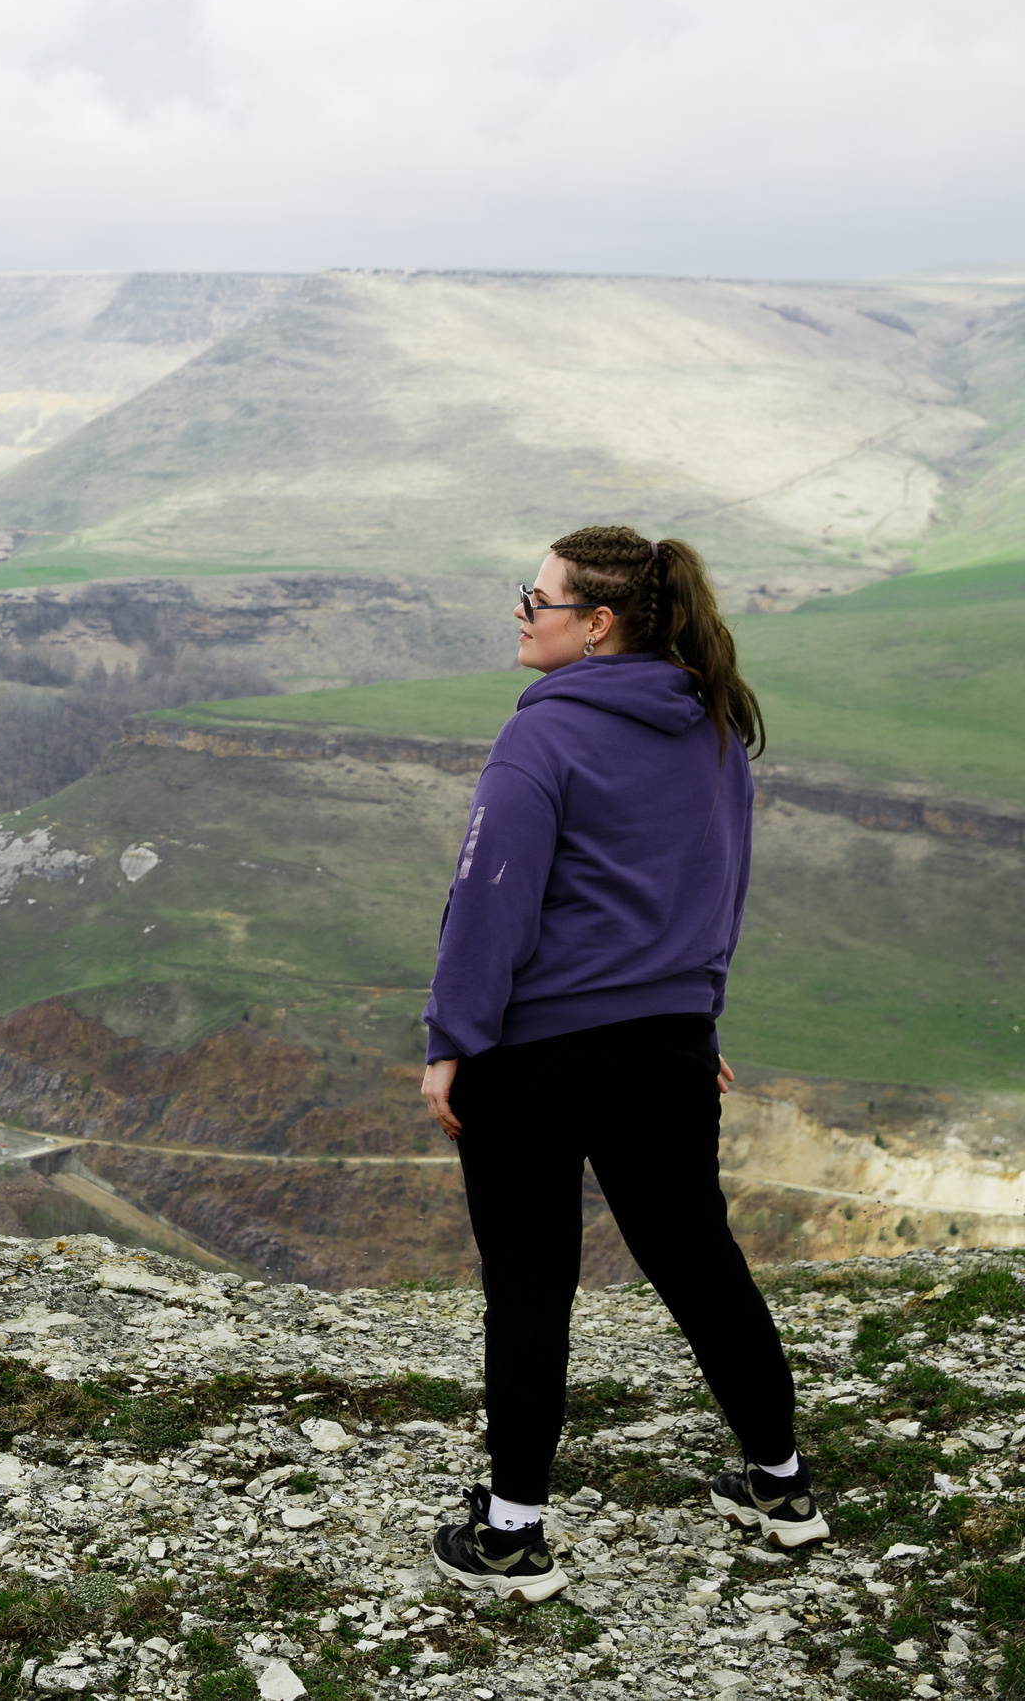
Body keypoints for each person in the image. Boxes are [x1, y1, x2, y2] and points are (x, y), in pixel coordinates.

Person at [417, 525, 824, 1603]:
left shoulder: (541, 735)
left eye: (537, 599)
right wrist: (699, 1020)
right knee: (700, 1262)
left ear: (597, 623)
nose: (521, 612)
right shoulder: (714, 727)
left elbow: (488, 901)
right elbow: (720, 888)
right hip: (666, 1050)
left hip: (534, 1056)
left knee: (531, 1288)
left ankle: (511, 1536)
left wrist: (452, 1038)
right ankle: (782, 1486)